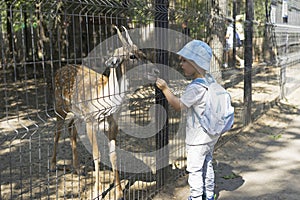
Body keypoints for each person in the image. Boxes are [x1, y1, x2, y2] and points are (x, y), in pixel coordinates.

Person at [156, 40, 218, 200]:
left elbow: (178, 105)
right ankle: (209, 194)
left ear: (195, 63)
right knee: (207, 164)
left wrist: (165, 89)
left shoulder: (196, 87)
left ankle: (196, 197)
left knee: (195, 170)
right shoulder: (210, 81)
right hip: (210, 134)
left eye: (184, 60)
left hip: (197, 138)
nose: (181, 64)